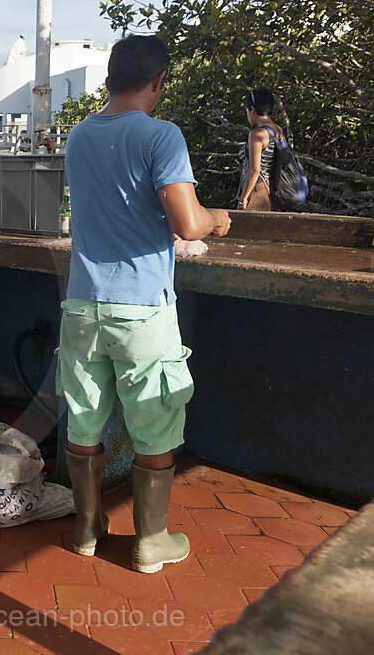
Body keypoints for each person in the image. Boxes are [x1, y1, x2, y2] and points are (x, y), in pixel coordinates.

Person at [57, 35, 231, 574]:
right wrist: (217, 219)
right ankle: (150, 542)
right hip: (142, 310)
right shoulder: (162, 135)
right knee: (155, 426)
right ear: (157, 82)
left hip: (83, 305)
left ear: (111, 76)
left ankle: (86, 528)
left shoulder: (79, 135)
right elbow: (186, 222)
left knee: (83, 422)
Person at [237, 87, 285, 211]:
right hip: (270, 191)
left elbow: (254, 170)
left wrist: (243, 200)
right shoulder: (277, 129)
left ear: (252, 109)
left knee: (246, 229)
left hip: (257, 191)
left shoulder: (257, 134)